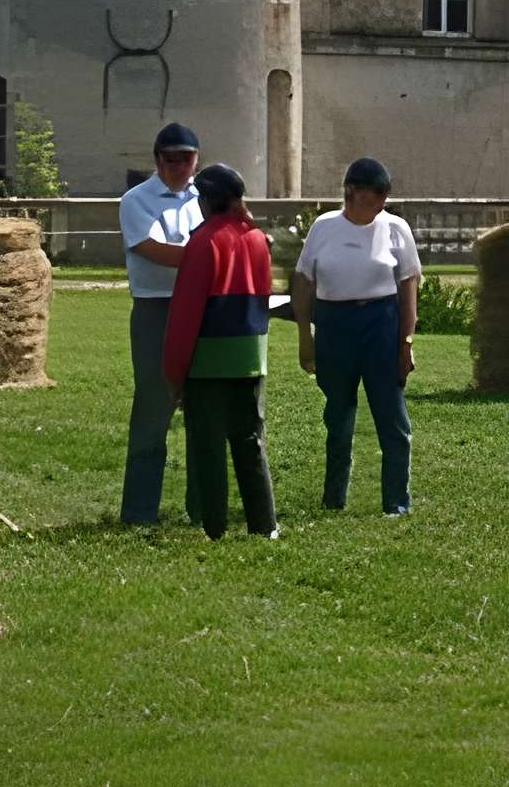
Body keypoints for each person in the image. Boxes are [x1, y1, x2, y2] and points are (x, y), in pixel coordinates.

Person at [292, 155, 420, 516]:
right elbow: (304, 280)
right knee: (338, 413)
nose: (377, 202)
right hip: (334, 322)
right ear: (350, 191)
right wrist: (305, 334)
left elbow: (408, 286)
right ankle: (334, 497)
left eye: (382, 195)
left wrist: (405, 341)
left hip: (380, 322)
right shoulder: (324, 227)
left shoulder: (396, 228)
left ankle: (396, 500)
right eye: (369, 194)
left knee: (391, 416)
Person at [159, 162, 277, 540]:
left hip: (208, 362)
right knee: (251, 443)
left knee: (208, 447)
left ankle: (215, 527)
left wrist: (175, 373)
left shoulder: (203, 241)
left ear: (208, 200)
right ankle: (265, 525)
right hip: (250, 358)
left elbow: (185, 315)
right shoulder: (257, 238)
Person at [115, 122, 203, 526]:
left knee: (204, 410)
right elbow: (150, 249)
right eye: (172, 160)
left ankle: (203, 507)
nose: (180, 168)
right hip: (156, 310)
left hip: (202, 308)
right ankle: (139, 513)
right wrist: (213, 256)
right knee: (153, 409)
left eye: (187, 160)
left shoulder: (206, 197)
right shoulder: (137, 200)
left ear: (197, 160)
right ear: (157, 160)